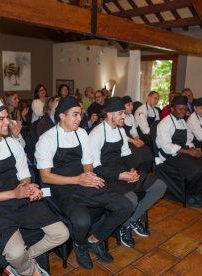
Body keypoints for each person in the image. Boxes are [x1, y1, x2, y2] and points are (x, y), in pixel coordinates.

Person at [0, 97, 69, 276]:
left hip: (20, 201)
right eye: (1, 119)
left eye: (7, 117)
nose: (7, 122)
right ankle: (30, 271)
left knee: (62, 234)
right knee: (15, 252)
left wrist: (28, 187)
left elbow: (24, 175)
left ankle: (19, 264)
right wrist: (15, 193)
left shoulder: (13, 144)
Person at [35, 96, 134, 270]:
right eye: (75, 115)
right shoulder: (47, 139)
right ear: (61, 116)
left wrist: (88, 177)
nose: (80, 119)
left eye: (80, 114)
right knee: (82, 220)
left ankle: (94, 240)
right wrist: (77, 179)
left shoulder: (81, 134)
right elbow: (46, 177)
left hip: (82, 181)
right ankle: (79, 244)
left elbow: (88, 164)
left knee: (125, 205)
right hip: (61, 187)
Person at [89, 97, 166, 248]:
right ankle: (123, 226)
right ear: (110, 114)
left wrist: (133, 170)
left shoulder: (120, 130)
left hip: (122, 171)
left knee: (159, 186)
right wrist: (120, 176)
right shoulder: (96, 134)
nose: (124, 116)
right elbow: (95, 167)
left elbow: (126, 155)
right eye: (120, 113)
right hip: (105, 176)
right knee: (131, 199)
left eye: (124, 112)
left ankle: (129, 222)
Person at [155, 96, 202, 208]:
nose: (183, 111)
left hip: (183, 151)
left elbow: (187, 139)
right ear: (172, 109)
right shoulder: (164, 124)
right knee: (197, 169)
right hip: (170, 156)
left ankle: (194, 191)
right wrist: (189, 152)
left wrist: (193, 148)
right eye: (180, 109)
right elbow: (167, 147)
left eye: (185, 109)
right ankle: (188, 195)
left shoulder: (183, 121)